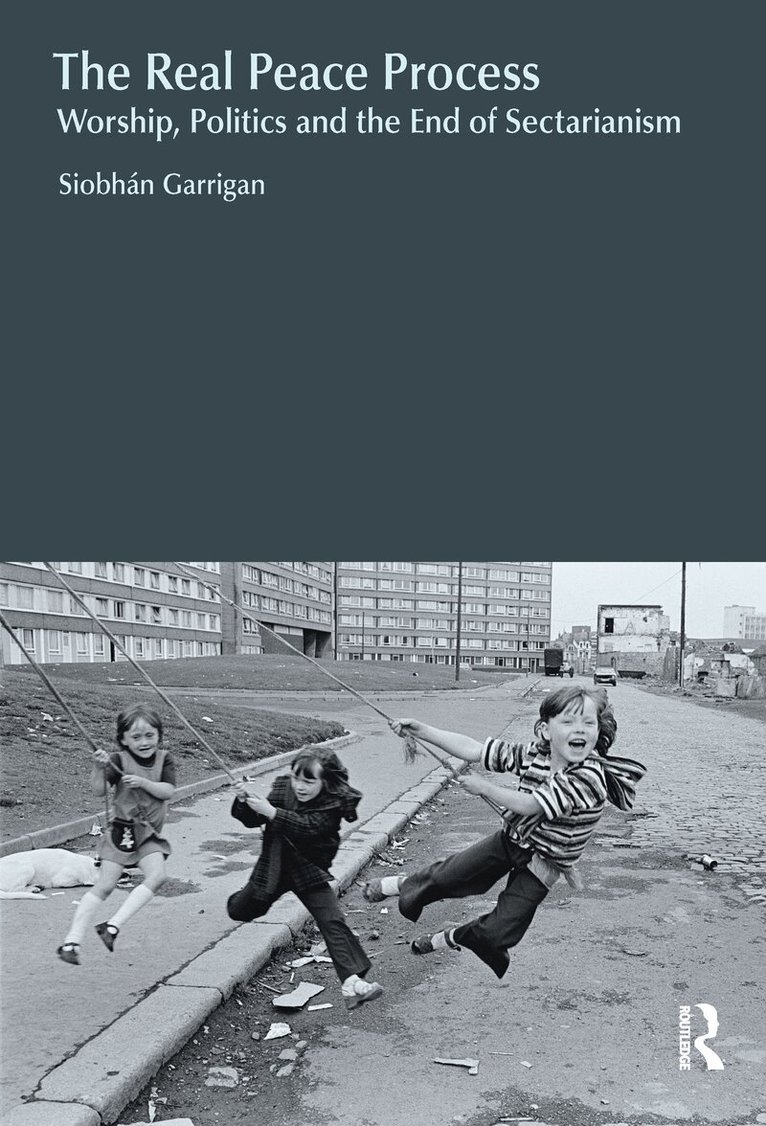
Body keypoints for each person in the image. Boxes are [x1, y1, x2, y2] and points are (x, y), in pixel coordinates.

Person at [364, 685, 646, 979]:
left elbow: (533, 805)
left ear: (598, 731)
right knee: (450, 876)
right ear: (546, 730)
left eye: (588, 723)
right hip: (511, 839)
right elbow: (475, 749)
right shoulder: (535, 754)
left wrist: (485, 788)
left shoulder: (589, 776)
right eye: (568, 721)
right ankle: (402, 885)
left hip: (545, 863)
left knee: (497, 935)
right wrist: (422, 731)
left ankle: (449, 937)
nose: (580, 730)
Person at [227, 749, 383, 1010]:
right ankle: (244, 896)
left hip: (307, 868)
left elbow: (309, 827)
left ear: (325, 781)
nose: (300, 786)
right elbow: (253, 819)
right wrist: (243, 801)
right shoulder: (283, 788)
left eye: (309, 781)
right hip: (276, 864)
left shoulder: (333, 803)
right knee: (240, 910)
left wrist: (272, 812)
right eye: (296, 778)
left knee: (332, 919)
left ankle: (351, 982)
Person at [57, 704, 176, 965]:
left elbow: (168, 791)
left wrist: (143, 782)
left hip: (148, 834)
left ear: (159, 735)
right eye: (136, 737)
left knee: (158, 876)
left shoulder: (164, 758)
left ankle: (111, 927)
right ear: (123, 740)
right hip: (122, 832)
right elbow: (98, 791)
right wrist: (98, 768)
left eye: (150, 735)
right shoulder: (118, 760)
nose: (144, 742)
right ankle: (71, 942)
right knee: (106, 885)